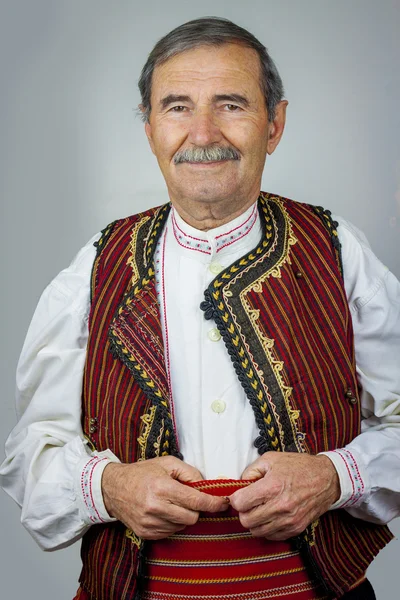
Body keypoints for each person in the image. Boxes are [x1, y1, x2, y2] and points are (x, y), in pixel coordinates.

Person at [1, 16, 400, 600]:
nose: (203, 131)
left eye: (232, 104)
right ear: (149, 128)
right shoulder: (95, 264)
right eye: (177, 107)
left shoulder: (339, 250)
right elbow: (30, 452)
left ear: (275, 124)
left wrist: (335, 476)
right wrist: (107, 487)